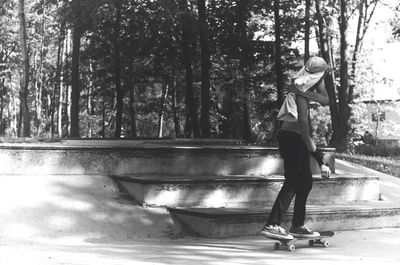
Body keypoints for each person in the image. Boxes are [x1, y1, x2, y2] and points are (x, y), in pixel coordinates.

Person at [261, 56, 332, 240]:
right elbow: (305, 134)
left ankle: (297, 226)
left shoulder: (303, 91)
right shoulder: (300, 97)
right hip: (292, 140)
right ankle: (272, 224)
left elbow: (325, 99)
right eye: (321, 79)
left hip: (296, 140)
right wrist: (321, 161)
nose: (322, 83)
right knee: (293, 181)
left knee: (306, 182)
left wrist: (321, 78)